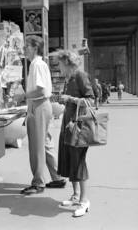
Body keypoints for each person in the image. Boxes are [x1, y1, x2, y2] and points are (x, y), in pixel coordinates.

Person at [13, 35, 66, 195]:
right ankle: (57, 177)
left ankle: (38, 183)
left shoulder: (36, 65)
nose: (24, 49)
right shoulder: (38, 65)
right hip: (42, 105)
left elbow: (41, 90)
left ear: (35, 48)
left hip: (39, 105)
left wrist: (23, 95)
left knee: (37, 146)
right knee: (45, 143)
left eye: (26, 46)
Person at [55, 49, 95, 217]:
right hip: (68, 124)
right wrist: (62, 100)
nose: (58, 66)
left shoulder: (80, 76)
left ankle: (85, 201)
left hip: (79, 126)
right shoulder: (69, 78)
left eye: (60, 63)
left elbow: (91, 100)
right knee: (70, 159)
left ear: (67, 62)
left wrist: (70, 99)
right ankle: (76, 195)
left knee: (78, 161)